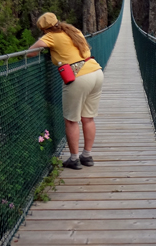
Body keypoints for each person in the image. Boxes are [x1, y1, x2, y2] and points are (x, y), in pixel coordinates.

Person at [29, 12, 104, 170]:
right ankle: (87, 156)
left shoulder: (51, 36)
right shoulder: (73, 30)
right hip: (96, 72)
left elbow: (30, 52)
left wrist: (45, 47)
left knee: (71, 120)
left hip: (78, 77)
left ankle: (74, 159)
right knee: (88, 118)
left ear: (44, 29)